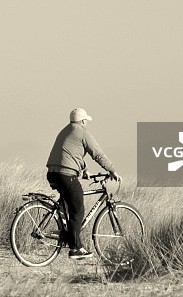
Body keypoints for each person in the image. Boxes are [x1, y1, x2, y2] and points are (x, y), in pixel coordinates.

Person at [46, 108, 121, 259]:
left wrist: (84, 170)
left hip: (53, 173)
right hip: (66, 175)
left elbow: (70, 153)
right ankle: (76, 248)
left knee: (68, 205)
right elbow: (97, 154)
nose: (86, 123)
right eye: (86, 121)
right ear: (82, 121)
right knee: (78, 210)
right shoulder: (82, 132)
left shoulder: (65, 131)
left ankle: (66, 233)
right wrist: (112, 170)